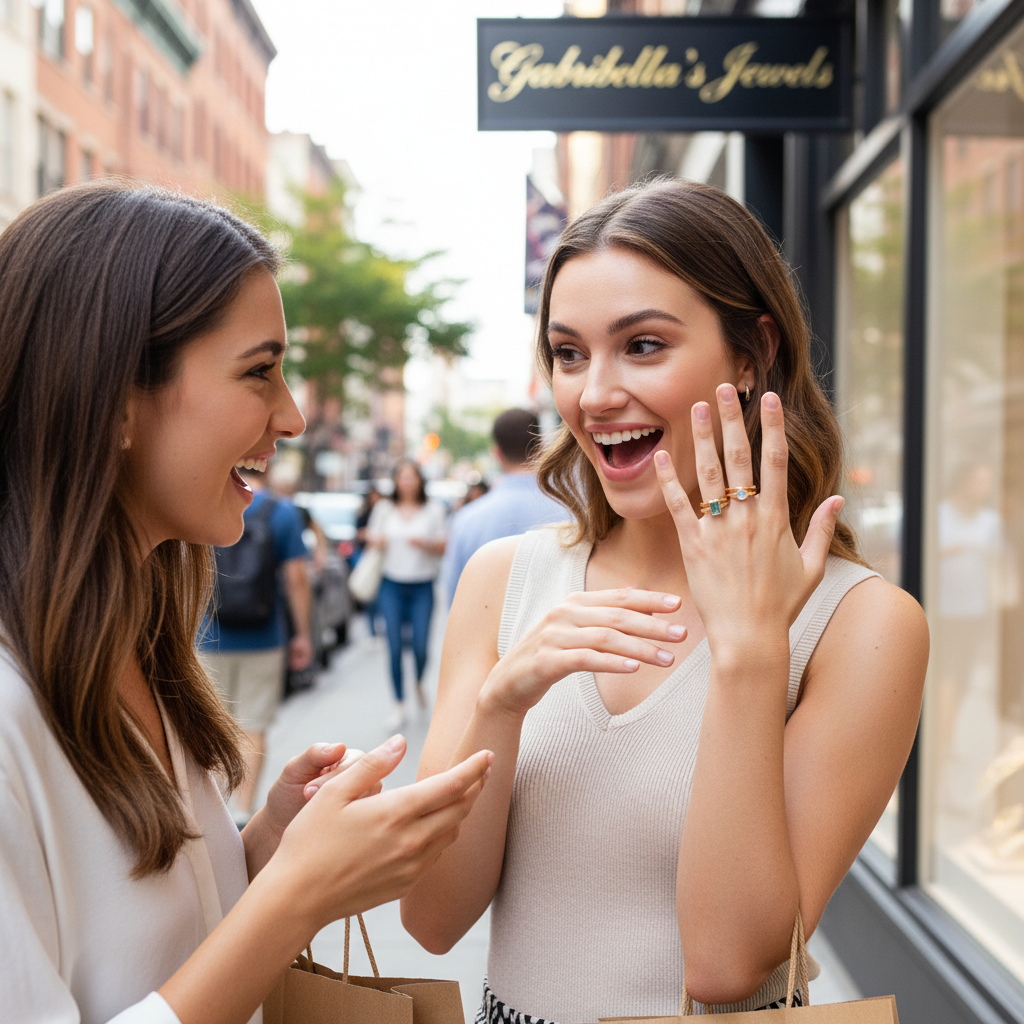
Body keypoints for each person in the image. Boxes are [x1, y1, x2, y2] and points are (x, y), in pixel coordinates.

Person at [400, 179, 928, 1023]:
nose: (594, 394)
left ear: (751, 354)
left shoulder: (860, 624)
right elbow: (430, 921)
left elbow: (727, 965)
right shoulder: (505, 580)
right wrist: (500, 706)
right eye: (568, 353)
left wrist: (748, 652)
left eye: (643, 345)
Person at [0, 180, 492, 1024]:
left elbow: (166, 942)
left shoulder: (136, 650)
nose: (292, 416)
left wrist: (265, 845)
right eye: (260, 372)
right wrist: (297, 895)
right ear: (114, 399)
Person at [203, 464, 312, 825]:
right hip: (264, 638)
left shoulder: (209, 501)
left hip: (210, 634)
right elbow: (296, 579)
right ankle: (242, 812)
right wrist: (302, 634)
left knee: (207, 727)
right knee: (253, 726)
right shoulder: (282, 512)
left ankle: (213, 811)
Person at [442, 408, 566, 606]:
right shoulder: (573, 512)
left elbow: (454, 596)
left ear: (497, 454)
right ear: (541, 447)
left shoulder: (467, 519)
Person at [367, 461, 447, 726]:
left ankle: (419, 682)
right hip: (391, 584)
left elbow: (444, 546)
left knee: (421, 646)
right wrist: (377, 539)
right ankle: (399, 703)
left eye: (412, 477)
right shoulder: (384, 508)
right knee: (394, 646)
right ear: (396, 481)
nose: (408, 482)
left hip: (422, 585)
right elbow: (369, 536)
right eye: (403, 477)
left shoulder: (433, 509)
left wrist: (425, 543)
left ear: (420, 481)